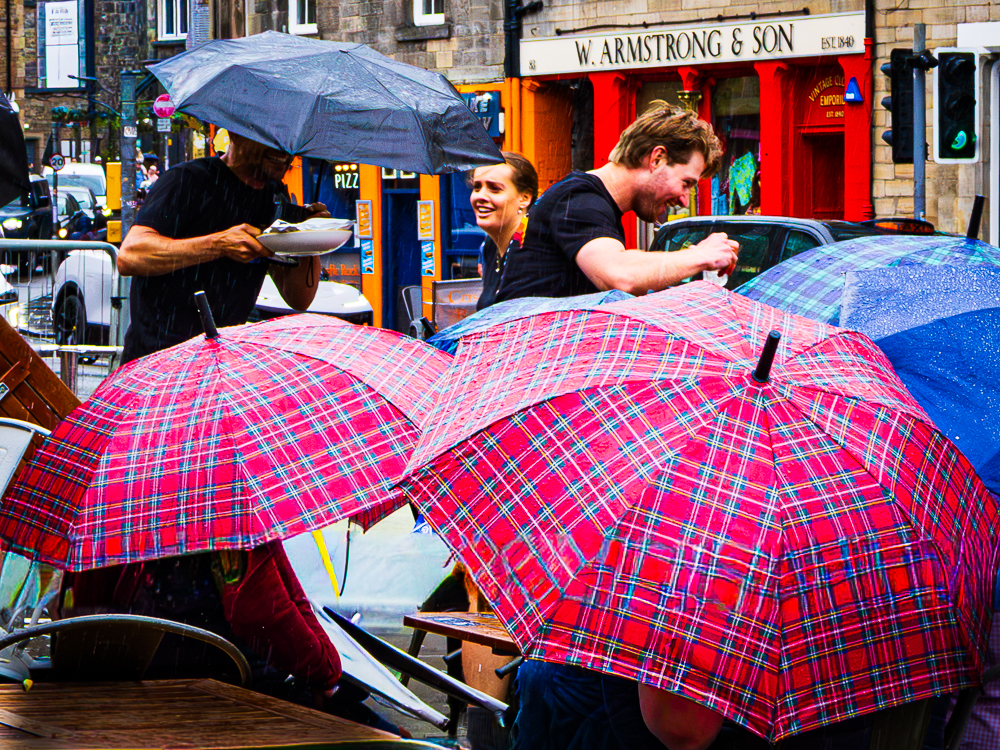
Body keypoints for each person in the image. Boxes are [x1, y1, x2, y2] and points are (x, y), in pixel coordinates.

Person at [495, 101, 739, 303]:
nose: (684, 200)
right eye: (686, 183)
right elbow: (620, 275)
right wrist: (701, 255)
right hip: (523, 356)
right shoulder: (580, 200)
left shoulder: (591, 202)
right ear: (657, 158)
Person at [117, 133, 325, 364]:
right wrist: (218, 244)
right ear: (236, 133)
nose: (284, 151)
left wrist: (309, 236)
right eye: (272, 138)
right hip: (158, 361)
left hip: (220, 364)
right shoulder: (187, 179)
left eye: (289, 141)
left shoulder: (273, 194)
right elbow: (130, 255)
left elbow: (298, 298)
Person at [471, 152, 538, 311]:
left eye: (494, 189)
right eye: (477, 187)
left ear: (524, 198)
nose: (480, 196)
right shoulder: (490, 246)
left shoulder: (535, 247)